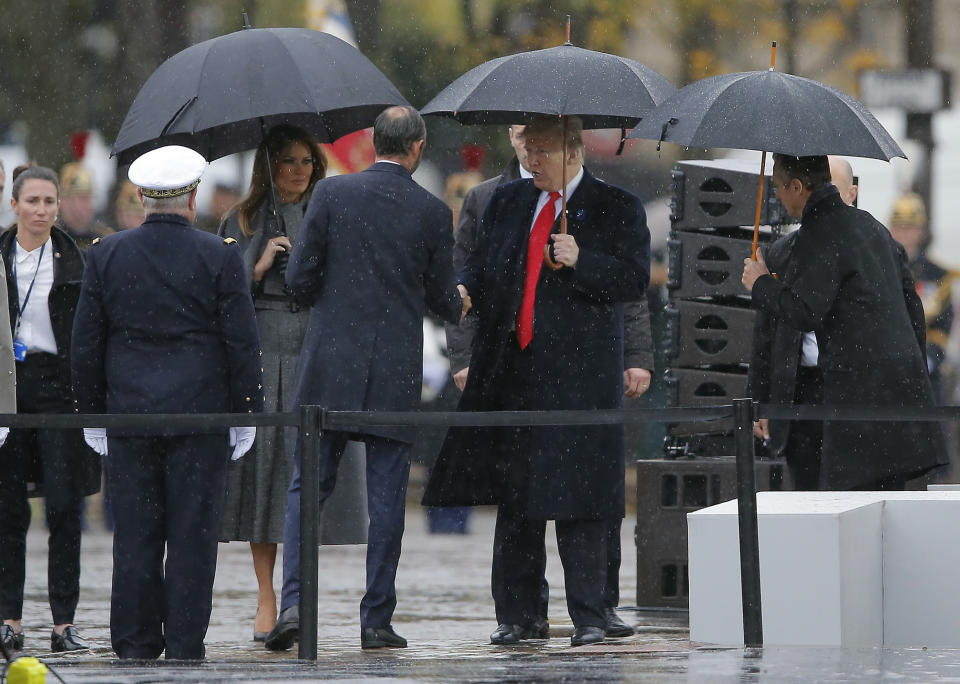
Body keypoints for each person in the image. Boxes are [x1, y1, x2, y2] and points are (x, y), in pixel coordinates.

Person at [423, 115, 650, 647]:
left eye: (543, 150)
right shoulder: (507, 202)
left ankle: (591, 614)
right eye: (529, 149)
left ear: (574, 151)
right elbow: (482, 268)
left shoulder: (617, 207)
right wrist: (460, 292)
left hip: (580, 381)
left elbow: (633, 278)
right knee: (517, 501)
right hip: (515, 375)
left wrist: (582, 260)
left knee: (582, 501)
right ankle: (519, 613)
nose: (532, 159)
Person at [263, 105, 466, 652]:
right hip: (392, 374)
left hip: (329, 364)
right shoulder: (431, 211)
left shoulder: (331, 196)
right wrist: (458, 300)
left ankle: (294, 606)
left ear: (375, 142)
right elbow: (444, 300)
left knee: (307, 488)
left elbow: (302, 280)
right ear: (417, 147)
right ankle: (375, 619)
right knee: (386, 500)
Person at [71, 145, 263, 660]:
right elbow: (241, 342)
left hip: (130, 416)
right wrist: (247, 410)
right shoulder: (219, 254)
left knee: (134, 538)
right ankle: (182, 643)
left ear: (140, 196)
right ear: (193, 197)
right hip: (199, 418)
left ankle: (134, 642)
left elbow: (87, 342)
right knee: (191, 540)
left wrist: (91, 412)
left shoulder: (107, 253)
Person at [218, 124, 365, 643]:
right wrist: (257, 267)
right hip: (261, 346)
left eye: (307, 161)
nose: (298, 171)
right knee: (264, 475)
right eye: (287, 162)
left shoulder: (332, 212)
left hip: (313, 342)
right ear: (268, 166)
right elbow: (222, 296)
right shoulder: (239, 218)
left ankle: (299, 597)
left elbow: (349, 283)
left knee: (303, 476)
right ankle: (266, 596)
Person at [742, 153, 946, 491]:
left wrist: (761, 283)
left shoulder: (821, 231)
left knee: (835, 511)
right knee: (881, 509)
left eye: (778, 187)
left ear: (797, 187)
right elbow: (913, 315)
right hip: (887, 396)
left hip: (854, 396)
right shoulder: (873, 228)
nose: (776, 196)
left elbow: (805, 312)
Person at [0, 166, 98, 653]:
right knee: (8, 508)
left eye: (49, 201)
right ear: (14, 204)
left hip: (60, 387)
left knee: (65, 505)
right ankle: (9, 618)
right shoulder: (0, 256)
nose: (41, 210)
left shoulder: (75, 259)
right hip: (9, 387)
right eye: (32, 201)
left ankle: (63, 623)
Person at [749, 155, 857, 489]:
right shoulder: (782, 252)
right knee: (806, 487)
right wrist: (759, 402)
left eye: (834, 191)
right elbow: (766, 334)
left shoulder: (870, 247)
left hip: (852, 385)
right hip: (801, 387)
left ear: (851, 194)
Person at [888, 192, 953, 404]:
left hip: (926, 373)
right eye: (900, 227)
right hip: (888, 369)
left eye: (911, 227)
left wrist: (930, 359)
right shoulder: (880, 269)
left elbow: (943, 325)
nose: (905, 234)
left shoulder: (938, 275)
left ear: (921, 231)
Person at [58, 162, 113, 250]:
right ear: (64, 201)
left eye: (90, 197)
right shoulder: (52, 238)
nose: (89, 204)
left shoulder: (104, 238)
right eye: (82, 198)